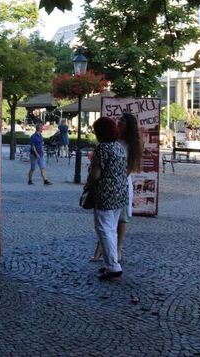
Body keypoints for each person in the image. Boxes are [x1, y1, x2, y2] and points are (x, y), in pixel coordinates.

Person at [83, 117, 128, 280]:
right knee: (111, 228)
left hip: (106, 193)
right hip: (121, 192)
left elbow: (95, 174)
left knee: (104, 229)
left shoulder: (102, 148)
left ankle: (113, 267)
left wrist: (87, 186)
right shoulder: (119, 147)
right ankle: (112, 262)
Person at [93, 112, 142, 263]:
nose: (118, 121)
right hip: (111, 182)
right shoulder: (113, 140)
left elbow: (130, 166)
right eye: (118, 119)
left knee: (121, 218)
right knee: (107, 221)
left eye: (122, 120)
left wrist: (117, 177)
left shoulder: (132, 145)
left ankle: (118, 248)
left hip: (122, 182)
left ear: (129, 125)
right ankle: (103, 248)